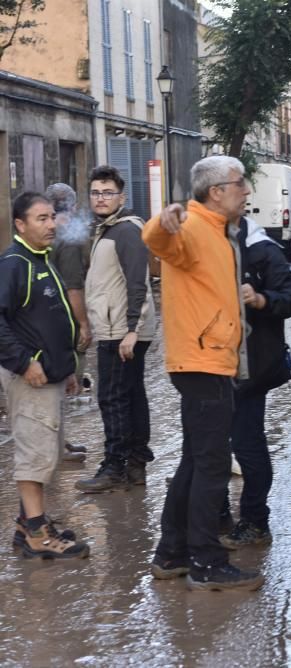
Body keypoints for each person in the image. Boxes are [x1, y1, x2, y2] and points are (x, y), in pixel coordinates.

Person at [143, 156, 262, 591]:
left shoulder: (219, 231)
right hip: (200, 361)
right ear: (216, 192)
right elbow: (156, 241)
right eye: (239, 183)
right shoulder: (191, 227)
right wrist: (164, 219)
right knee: (211, 468)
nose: (246, 190)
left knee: (196, 464)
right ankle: (206, 562)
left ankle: (171, 554)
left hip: (208, 359)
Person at [0, 192, 89, 559]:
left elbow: (52, 319)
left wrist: (66, 368)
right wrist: (25, 362)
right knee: (34, 454)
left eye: (52, 217)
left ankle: (28, 525)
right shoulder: (14, 263)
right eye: (41, 218)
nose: (51, 224)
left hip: (50, 375)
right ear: (20, 224)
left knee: (46, 452)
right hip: (30, 379)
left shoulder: (40, 258)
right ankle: (37, 535)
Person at [219, 215, 291, 549]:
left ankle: (255, 521)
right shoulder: (210, 242)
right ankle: (218, 513)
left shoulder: (262, 249)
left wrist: (261, 300)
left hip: (251, 369)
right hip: (215, 365)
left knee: (246, 443)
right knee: (211, 445)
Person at [75, 166, 157, 493]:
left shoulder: (124, 231)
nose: (101, 198)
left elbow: (139, 283)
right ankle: (135, 464)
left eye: (108, 193)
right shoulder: (107, 229)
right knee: (131, 395)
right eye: (96, 192)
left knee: (112, 398)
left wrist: (132, 330)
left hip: (121, 331)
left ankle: (116, 465)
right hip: (118, 327)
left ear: (121, 197)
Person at [44, 182, 91, 463]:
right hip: (63, 321)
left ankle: (58, 439)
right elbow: (74, 287)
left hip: (45, 319)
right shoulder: (68, 238)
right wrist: (83, 324)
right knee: (62, 384)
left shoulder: (43, 232)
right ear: (73, 207)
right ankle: (55, 446)